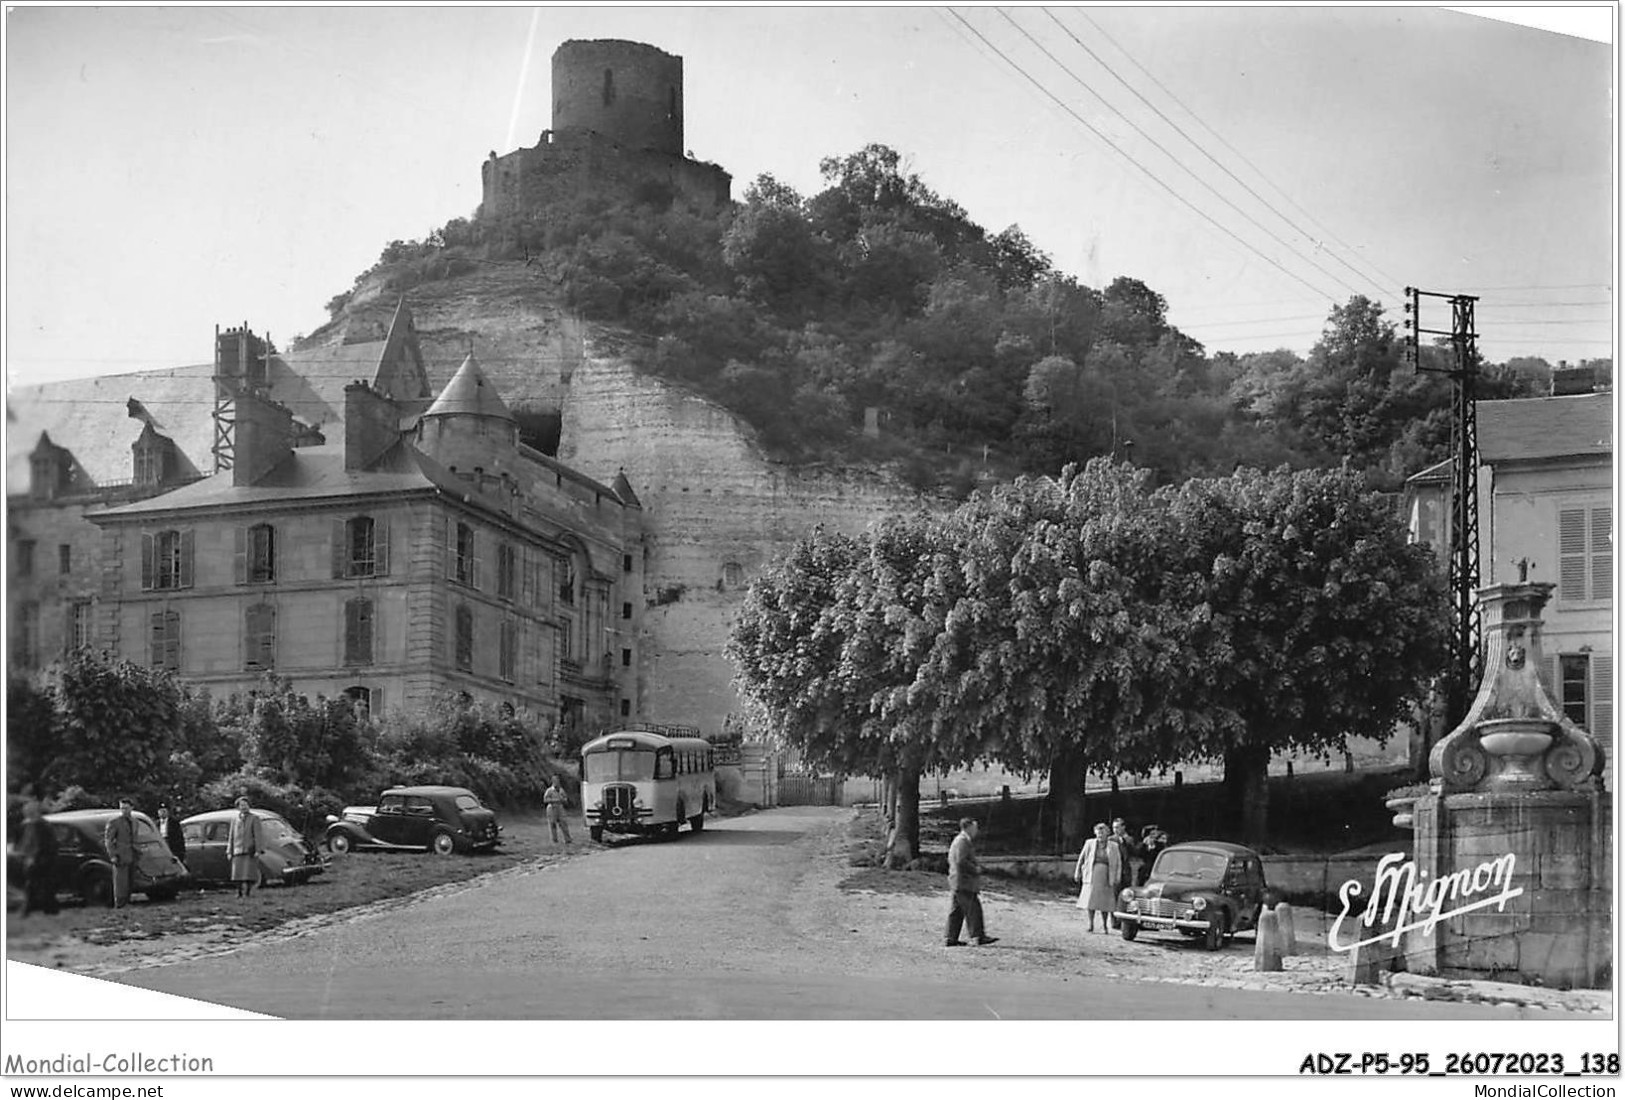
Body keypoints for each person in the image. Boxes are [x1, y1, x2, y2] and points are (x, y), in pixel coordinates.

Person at [944, 817, 998, 947]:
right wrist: (975, 869)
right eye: (975, 828)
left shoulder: (960, 841)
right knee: (974, 909)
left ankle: (950, 938)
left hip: (958, 881)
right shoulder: (962, 842)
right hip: (964, 881)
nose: (976, 831)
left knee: (957, 911)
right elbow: (961, 861)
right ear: (969, 827)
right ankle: (977, 936)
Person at [1073, 822, 1121, 933]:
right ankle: (1091, 924)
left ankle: (1105, 925)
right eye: (1098, 833)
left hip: (1107, 875)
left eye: (1103, 832)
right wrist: (1077, 872)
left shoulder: (1114, 846)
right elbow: (1082, 859)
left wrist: (1117, 877)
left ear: (1107, 834)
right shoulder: (1089, 843)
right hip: (1092, 874)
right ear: (1095, 833)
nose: (1100, 835)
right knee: (1091, 900)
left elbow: (1118, 863)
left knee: (1105, 902)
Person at [18, 799, 60, 917]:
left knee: (35, 885)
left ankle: (29, 910)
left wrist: (32, 858)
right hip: (41, 859)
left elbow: (38, 844)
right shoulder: (35, 825)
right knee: (42, 885)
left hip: (41, 860)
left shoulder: (39, 826)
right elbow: (28, 843)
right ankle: (49, 909)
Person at [103, 798, 139, 909]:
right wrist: (113, 855)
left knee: (130, 880)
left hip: (132, 853)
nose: (124, 811)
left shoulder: (135, 821)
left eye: (126, 808)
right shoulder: (115, 822)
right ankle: (119, 903)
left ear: (131, 808)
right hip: (120, 854)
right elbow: (108, 840)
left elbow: (135, 837)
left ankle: (127, 901)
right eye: (122, 808)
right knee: (120, 881)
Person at [227, 797, 262, 898]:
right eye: (241, 805)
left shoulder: (254, 818)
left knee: (248, 873)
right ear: (238, 807)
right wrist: (229, 851)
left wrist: (258, 849)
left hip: (249, 850)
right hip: (237, 850)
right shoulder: (235, 819)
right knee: (237, 874)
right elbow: (231, 836)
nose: (243, 807)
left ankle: (247, 892)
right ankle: (239, 892)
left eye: (245, 805)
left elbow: (258, 835)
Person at [1112, 817, 1144, 913]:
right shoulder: (1111, 840)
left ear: (1123, 827)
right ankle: (1115, 919)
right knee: (1114, 895)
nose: (1115, 830)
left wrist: (1128, 841)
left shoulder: (1129, 839)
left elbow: (1135, 852)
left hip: (1126, 871)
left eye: (1118, 827)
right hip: (1114, 870)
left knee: (1126, 894)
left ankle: (1124, 916)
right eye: (1114, 828)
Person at [543, 775, 573, 845]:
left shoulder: (561, 790)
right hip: (552, 808)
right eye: (555, 781)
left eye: (557, 781)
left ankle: (568, 839)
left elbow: (565, 799)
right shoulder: (549, 790)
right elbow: (545, 800)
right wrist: (555, 800)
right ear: (553, 782)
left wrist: (563, 800)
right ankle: (554, 840)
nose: (557, 782)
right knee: (552, 824)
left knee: (563, 823)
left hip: (560, 807)